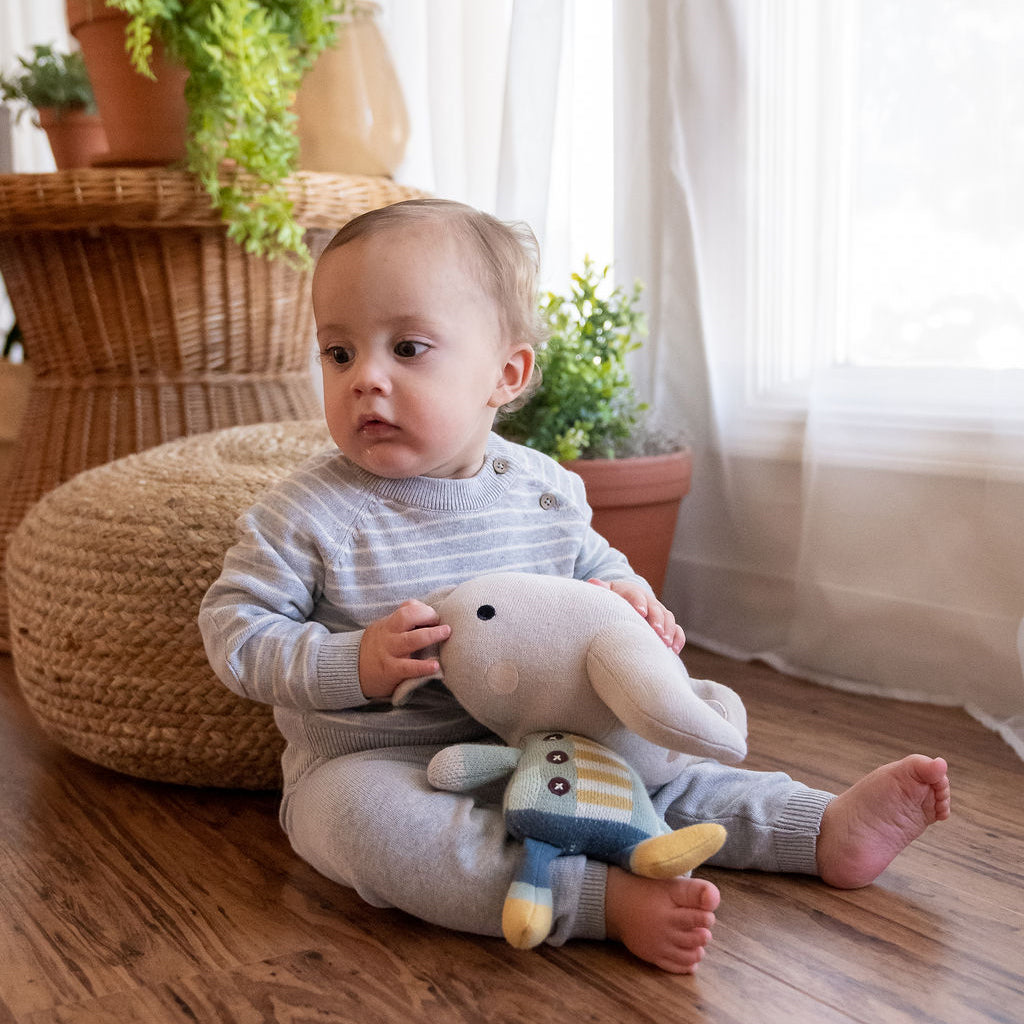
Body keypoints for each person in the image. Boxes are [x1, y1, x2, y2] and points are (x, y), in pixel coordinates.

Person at [198, 198, 951, 974]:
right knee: (357, 826)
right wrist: (353, 663)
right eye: (339, 354)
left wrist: (629, 597)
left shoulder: (542, 489)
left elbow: (591, 565)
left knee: (668, 771)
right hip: (386, 761)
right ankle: (594, 900)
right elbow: (235, 630)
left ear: (507, 373)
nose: (366, 380)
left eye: (409, 347)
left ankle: (817, 829)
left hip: (550, 745)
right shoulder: (309, 513)